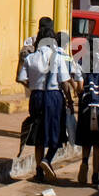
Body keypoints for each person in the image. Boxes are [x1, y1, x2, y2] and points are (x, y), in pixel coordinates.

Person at [16, 18, 74, 184]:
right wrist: (69, 100)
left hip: (36, 97)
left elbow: (21, 78)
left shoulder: (30, 58)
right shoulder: (57, 58)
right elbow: (64, 82)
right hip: (54, 97)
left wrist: (34, 84)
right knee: (57, 132)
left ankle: (38, 172)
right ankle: (47, 160)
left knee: (39, 134)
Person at [75, 48, 99, 188]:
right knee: (98, 144)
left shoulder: (80, 63)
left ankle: (84, 162)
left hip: (85, 108)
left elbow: (79, 88)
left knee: (86, 140)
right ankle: (95, 177)